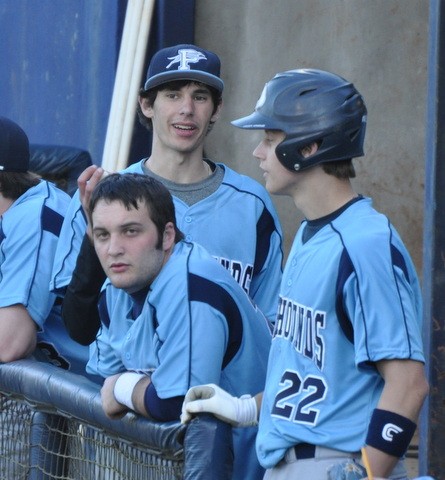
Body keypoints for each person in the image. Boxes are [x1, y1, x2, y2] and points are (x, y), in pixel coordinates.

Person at [181, 69, 429, 480]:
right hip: (291, 461)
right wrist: (247, 407)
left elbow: (408, 384)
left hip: (336, 462)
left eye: (270, 139)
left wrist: (367, 472)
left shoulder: (365, 244)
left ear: (309, 147)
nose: (258, 153)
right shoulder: (311, 235)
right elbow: (315, 374)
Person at [52, 43, 283, 345]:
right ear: (147, 105)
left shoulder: (252, 203)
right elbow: (75, 320)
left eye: (200, 97)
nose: (187, 109)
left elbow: (269, 322)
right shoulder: (101, 197)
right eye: (173, 95)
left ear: (217, 109)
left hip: (222, 391)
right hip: (124, 385)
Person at [85, 172, 272, 480]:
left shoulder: (190, 284)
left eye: (130, 231)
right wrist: (120, 385)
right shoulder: (117, 289)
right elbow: (103, 375)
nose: (113, 249)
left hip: (258, 464)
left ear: (168, 235)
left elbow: (177, 401)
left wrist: (122, 387)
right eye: (102, 235)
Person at [0, 116, 92, 376]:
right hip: (79, 396)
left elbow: (10, 342)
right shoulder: (16, 212)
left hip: (117, 396)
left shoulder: (33, 217)